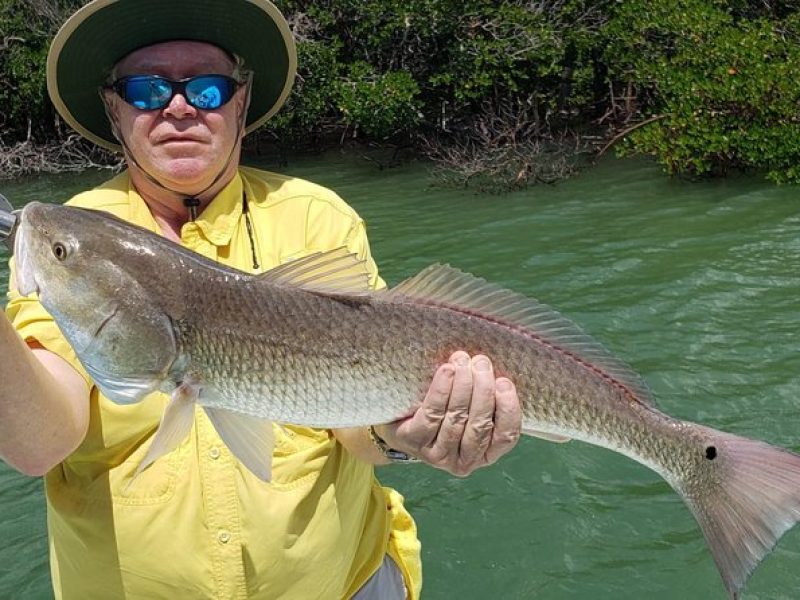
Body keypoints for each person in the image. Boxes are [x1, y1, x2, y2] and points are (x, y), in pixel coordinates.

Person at [0, 1, 523, 598]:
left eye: (209, 87)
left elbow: (358, 424)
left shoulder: (318, 218)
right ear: (115, 110)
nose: (178, 107)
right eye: (145, 90)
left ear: (241, 102)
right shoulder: (76, 240)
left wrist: (403, 436)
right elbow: (38, 443)